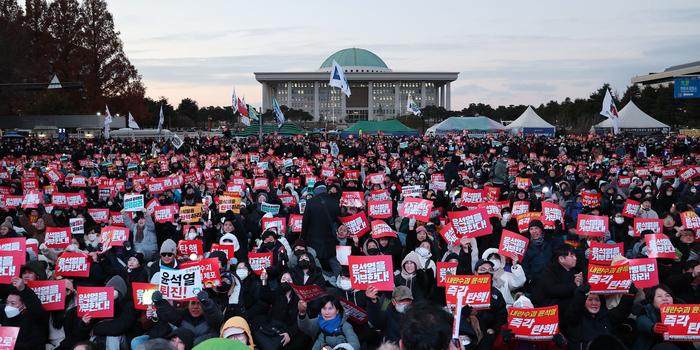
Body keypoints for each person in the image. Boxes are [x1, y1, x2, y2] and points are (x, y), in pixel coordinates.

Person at [565, 281, 638, 350]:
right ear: (583, 302)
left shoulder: (606, 317)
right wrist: (580, 295)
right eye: (590, 299)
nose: (594, 303)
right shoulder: (575, 319)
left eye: (597, 300)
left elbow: (622, 312)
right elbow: (574, 310)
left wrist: (629, 295)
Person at [151, 289, 225, 345]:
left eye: (199, 303)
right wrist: (160, 303)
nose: (195, 307)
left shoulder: (212, 316)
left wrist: (207, 304)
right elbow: (170, 314)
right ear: (188, 304)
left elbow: (216, 317)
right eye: (192, 303)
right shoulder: (183, 314)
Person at [634, 284, 694, 350]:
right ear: (652, 301)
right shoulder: (645, 311)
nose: (665, 299)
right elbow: (642, 323)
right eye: (659, 296)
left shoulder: (685, 312)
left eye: (668, 295)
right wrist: (653, 327)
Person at [301, 183, 342, 277]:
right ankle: (341, 281)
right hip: (329, 238)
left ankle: (313, 283)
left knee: (313, 261)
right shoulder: (334, 202)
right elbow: (339, 220)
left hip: (313, 238)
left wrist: (303, 238)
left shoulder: (310, 202)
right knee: (333, 261)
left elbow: (305, 222)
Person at [535, 243, 582, 324]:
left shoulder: (577, 269)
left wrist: (581, 283)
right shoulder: (548, 271)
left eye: (575, 256)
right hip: (554, 315)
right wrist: (574, 285)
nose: (575, 258)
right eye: (572, 256)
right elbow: (551, 290)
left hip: (573, 314)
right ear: (561, 259)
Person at [0, 277, 47, 348]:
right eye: (7, 302)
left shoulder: (35, 318)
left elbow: (35, 306)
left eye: (13, 303)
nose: (8, 306)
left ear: (24, 305)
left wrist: (23, 289)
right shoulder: (4, 314)